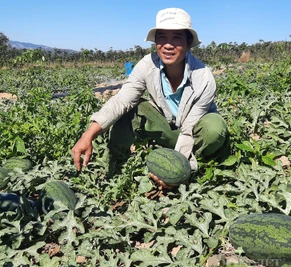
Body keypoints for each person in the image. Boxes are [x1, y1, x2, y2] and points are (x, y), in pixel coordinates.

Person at [72, 7, 228, 188]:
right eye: (162, 37)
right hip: (170, 129)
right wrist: (88, 134)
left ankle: (199, 164)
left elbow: (188, 131)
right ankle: (116, 166)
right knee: (133, 107)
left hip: (196, 134)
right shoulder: (147, 65)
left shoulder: (203, 78)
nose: (168, 45)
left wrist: (177, 173)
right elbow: (122, 100)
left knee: (214, 128)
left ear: (188, 42)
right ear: (155, 42)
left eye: (176, 37)